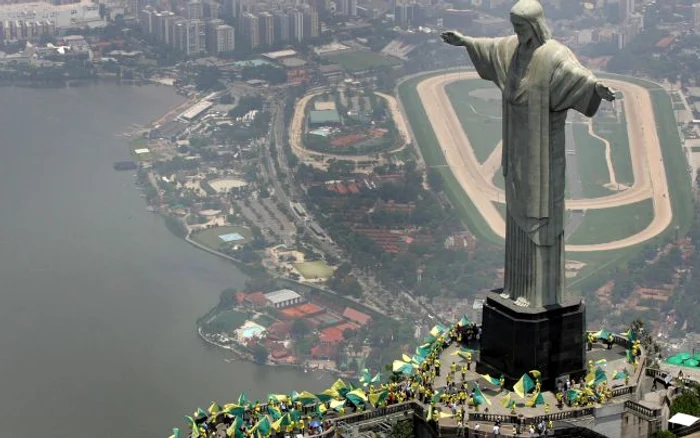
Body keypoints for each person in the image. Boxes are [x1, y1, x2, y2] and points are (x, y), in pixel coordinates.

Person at [441, 0, 615, 308]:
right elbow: (491, 48)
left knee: (542, 216)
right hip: (519, 150)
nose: (517, 32)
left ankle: (542, 294)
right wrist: (465, 42)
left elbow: (577, 75)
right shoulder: (512, 49)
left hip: (543, 154)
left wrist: (596, 87)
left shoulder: (553, 55)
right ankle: (516, 289)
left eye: (522, 27)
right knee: (517, 218)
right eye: (515, 27)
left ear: (536, 25)